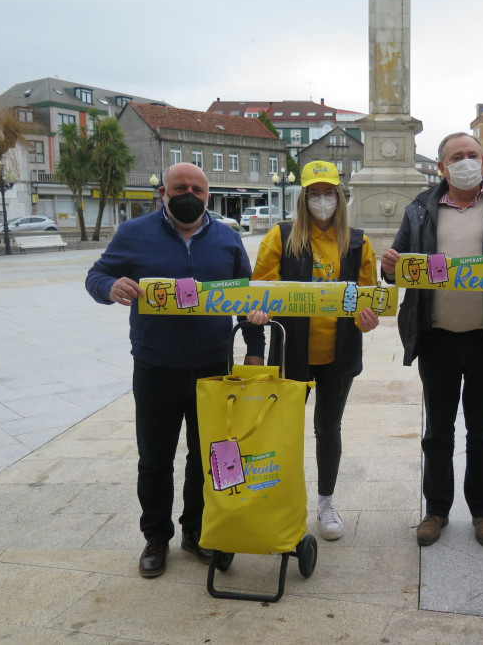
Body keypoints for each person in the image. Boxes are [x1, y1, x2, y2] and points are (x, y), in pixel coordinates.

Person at [85, 162, 265, 578]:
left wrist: (254, 348)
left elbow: (249, 296)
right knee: (154, 459)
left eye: (198, 189)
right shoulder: (133, 234)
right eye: (180, 187)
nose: (190, 194)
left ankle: (197, 530)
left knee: (208, 457)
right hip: (155, 366)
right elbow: (97, 274)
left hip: (212, 367)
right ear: (163, 192)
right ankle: (156, 537)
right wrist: (109, 288)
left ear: (208, 193)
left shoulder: (226, 238)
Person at [380, 132, 483, 548]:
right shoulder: (420, 209)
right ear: (442, 167)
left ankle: (482, 511)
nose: (466, 161)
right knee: (438, 431)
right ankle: (435, 510)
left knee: (482, 430)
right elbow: (398, 268)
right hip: (435, 337)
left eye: (473, 155)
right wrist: (389, 264)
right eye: (457, 156)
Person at [249, 159, 379, 542]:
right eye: (314, 193)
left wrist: (367, 320)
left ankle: (325, 502)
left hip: (339, 354)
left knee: (328, 428)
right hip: (292, 352)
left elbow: (367, 299)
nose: (322, 200)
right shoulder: (282, 236)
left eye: (328, 192)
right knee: (283, 430)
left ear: (340, 196)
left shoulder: (358, 242)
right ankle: (283, 499)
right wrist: (259, 310)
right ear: (303, 197)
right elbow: (262, 289)